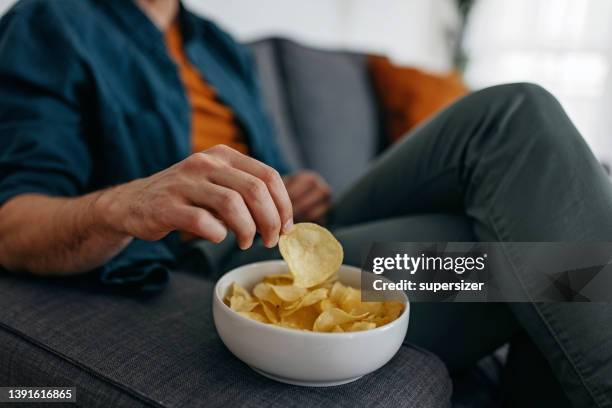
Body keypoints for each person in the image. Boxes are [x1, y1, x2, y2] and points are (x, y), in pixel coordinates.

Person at [0, 0, 610, 405]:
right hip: (226, 260)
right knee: (519, 259)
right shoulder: (50, 22)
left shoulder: (216, 44)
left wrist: (290, 187)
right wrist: (130, 202)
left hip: (305, 227)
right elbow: (12, 224)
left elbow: (264, 167)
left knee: (513, 110)